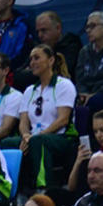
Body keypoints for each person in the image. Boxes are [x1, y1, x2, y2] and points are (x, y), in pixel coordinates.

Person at [16, 44, 78, 192]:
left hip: (62, 137)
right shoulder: (29, 90)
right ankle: (17, 191)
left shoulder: (64, 85)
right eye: (31, 59)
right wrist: (25, 136)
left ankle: (44, 189)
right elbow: (23, 121)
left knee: (39, 142)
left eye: (37, 58)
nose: (32, 62)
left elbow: (63, 120)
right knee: (7, 143)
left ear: (51, 60)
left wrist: (36, 137)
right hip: (34, 138)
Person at [75, 11, 103, 138]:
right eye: (87, 27)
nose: (88, 30)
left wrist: (95, 94)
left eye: (93, 26)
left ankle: (96, 142)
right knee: (74, 103)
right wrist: (83, 93)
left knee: (96, 101)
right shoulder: (85, 52)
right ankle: (81, 144)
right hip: (90, 94)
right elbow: (80, 78)